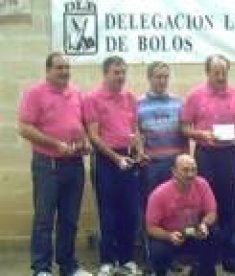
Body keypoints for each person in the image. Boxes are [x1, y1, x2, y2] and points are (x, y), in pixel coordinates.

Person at [18, 52, 92, 276]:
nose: (64, 72)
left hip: (74, 163)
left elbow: (81, 125)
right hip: (47, 164)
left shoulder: (76, 93)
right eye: (59, 68)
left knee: (70, 219)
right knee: (44, 219)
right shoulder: (35, 93)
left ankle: (68, 266)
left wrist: (84, 142)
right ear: (48, 70)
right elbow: (24, 128)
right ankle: (41, 268)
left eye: (67, 68)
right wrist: (55, 144)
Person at [181, 54, 235, 264]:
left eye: (224, 72)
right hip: (206, 155)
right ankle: (207, 252)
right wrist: (201, 135)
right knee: (205, 203)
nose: (221, 77)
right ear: (207, 72)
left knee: (229, 202)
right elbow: (184, 127)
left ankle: (227, 253)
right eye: (216, 72)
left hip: (230, 154)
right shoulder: (195, 96)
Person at [84, 56, 143, 276]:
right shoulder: (92, 98)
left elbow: (134, 129)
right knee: (108, 213)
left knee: (129, 212)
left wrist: (139, 152)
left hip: (128, 159)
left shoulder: (130, 97)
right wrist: (115, 158)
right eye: (116, 73)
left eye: (123, 72)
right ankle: (107, 262)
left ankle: (127, 260)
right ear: (105, 73)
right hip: (105, 160)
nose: (120, 77)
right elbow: (93, 135)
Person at [146, 154, 217, 276]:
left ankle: (203, 271)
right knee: (158, 251)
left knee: (214, 233)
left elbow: (212, 212)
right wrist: (169, 236)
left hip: (195, 232)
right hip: (170, 236)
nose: (190, 174)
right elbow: (150, 228)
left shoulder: (202, 184)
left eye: (194, 170)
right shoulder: (159, 194)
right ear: (174, 172)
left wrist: (204, 224)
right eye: (185, 170)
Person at [137, 61, 189, 200]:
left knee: (175, 204)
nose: (162, 81)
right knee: (150, 204)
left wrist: (186, 159)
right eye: (158, 77)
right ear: (149, 78)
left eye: (166, 77)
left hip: (175, 164)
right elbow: (136, 134)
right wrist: (140, 152)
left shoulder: (179, 103)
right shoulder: (138, 104)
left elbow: (185, 134)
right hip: (151, 166)